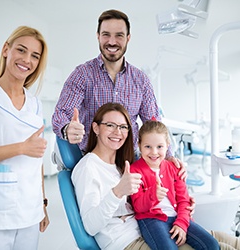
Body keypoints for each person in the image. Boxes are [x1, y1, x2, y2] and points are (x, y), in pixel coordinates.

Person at [51, 9, 184, 172]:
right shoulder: (82, 75)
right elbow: (61, 113)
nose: (112, 42)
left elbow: (153, 123)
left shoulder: (140, 80)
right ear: (98, 36)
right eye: (106, 34)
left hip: (130, 159)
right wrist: (67, 129)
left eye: (119, 35)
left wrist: (169, 156)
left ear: (128, 38)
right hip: (93, 160)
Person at [71, 102, 194, 250]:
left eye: (123, 127)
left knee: (223, 243)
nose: (118, 132)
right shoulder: (88, 168)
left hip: (148, 231)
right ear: (96, 128)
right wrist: (117, 193)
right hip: (125, 241)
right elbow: (90, 226)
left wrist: (181, 201)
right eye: (110, 125)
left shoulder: (121, 165)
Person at [0, 26, 49, 250]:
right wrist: (22, 147)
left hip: (30, 208)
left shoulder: (34, 103)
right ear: (6, 49)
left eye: (35, 55)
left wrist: (42, 203)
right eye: (21, 50)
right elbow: (28, 148)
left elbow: (38, 157)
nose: (27, 59)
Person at [130, 119, 220, 249]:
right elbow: (138, 207)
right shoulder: (135, 170)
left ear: (167, 146)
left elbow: (184, 200)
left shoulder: (174, 168)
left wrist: (181, 223)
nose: (154, 152)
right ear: (139, 145)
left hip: (176, 216)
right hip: (151, 220)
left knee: (212, 245)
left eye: (159, 147)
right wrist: (152, 195)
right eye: (148, 146)